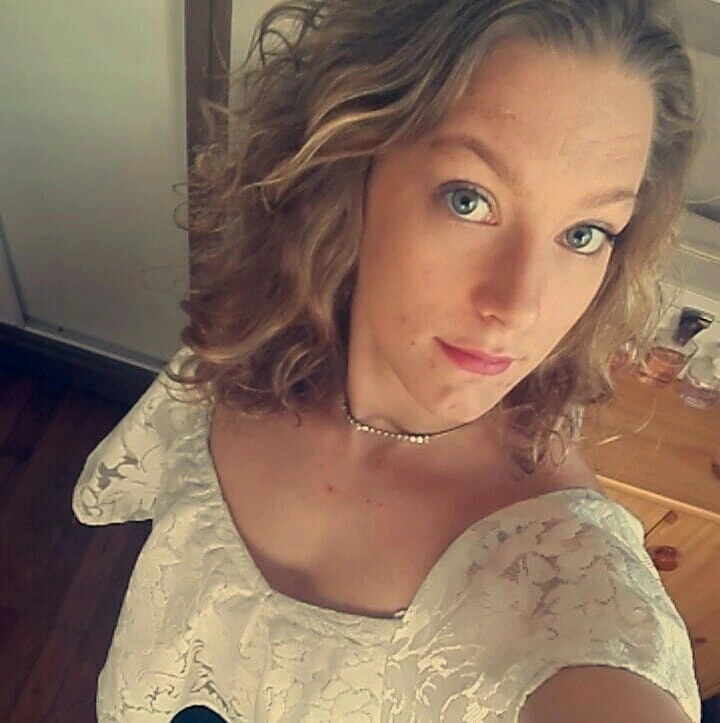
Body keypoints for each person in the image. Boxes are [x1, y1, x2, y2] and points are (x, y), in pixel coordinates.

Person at [72, 0, 704, 721]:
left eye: (585, 233)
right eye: (469, 199)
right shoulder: (248, 350)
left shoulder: (570, 588)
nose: (518, 306)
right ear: (352, 162)